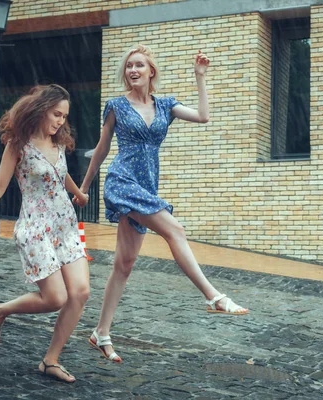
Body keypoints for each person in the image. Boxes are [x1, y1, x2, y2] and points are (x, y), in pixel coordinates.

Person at [77, 45, 248, 364]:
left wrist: (200, 77)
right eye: (129, 66)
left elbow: (203, 116)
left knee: (124, 265)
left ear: (150, 71)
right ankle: (213, 296)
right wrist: (85, 187)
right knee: (175, 229)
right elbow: (101, 150)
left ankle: (101, 332)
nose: (133, 70)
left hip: (146, 186)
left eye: (139, 65)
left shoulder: (166, 105)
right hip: (122, 180)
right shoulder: (115, 106)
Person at [0, 84, 90, 383]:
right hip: (36, 230)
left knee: (80, 292)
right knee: (55, 298)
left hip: (67, 227)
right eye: (56, 114)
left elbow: (60, 171)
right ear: (41, 109)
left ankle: (50, 360)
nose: (59, 121)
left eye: (64, 117)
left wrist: (78, 192)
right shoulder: (19, 144)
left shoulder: (59, 142)